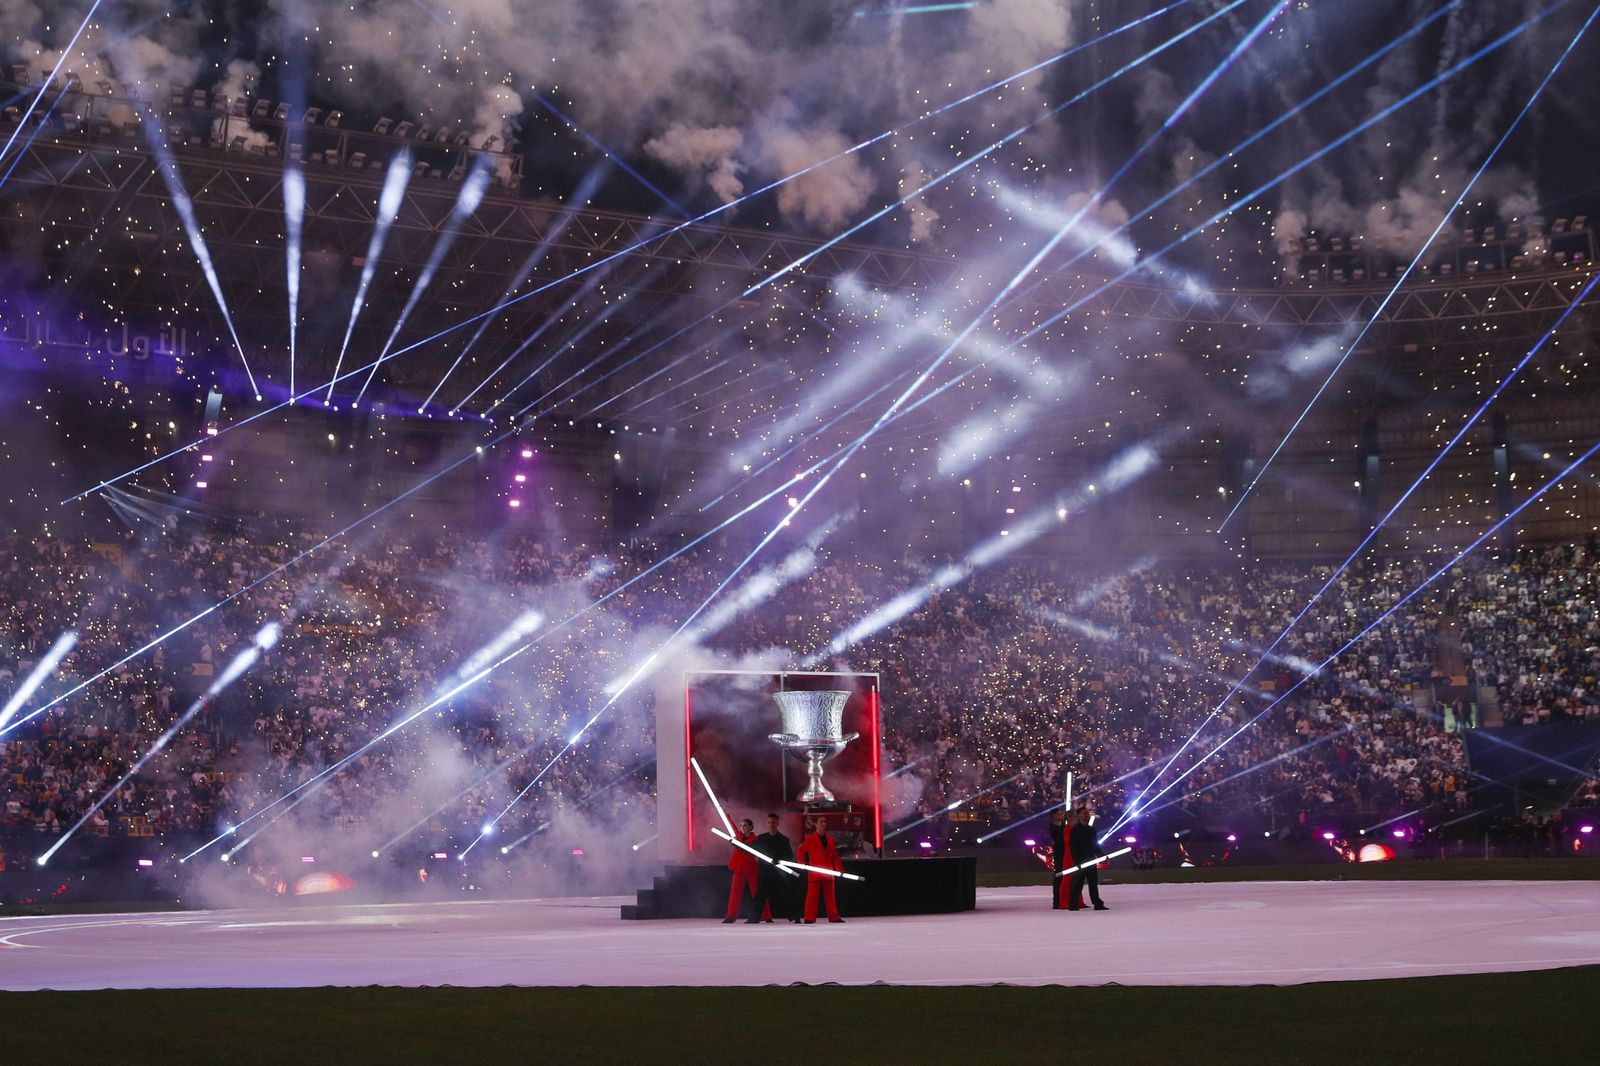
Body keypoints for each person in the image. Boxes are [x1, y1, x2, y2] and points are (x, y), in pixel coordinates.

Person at [796, 815, 845, 923]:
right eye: (821, 821)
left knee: (831, 897)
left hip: (828, 871)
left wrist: (839, 868)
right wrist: (802, 863)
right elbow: (800, 851)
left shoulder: (830, 840)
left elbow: (834, 856)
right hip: (815, 872)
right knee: (812, 896)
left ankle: (834, 917)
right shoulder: (810, 839)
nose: (823, 824)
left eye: (824, 821)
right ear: (816, 824)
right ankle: (809, 917)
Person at [748, 812, 796, 923]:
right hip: (764, 872)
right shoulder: (761, 838)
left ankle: (793, 916)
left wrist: (778, 859)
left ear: (777, 823)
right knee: (759, 895)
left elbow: (789, 856)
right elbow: (749, 848)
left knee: (785, 894)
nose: (771, 824)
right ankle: (754, 918)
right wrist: (737, 844)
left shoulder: (783, 839)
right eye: (769, 822)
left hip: (777, 872)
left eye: (773, 822)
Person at [1067, 805, 1108, 911]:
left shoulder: (1092, 830)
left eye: (1087, 813)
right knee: (1077, 883)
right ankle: (1073, 904)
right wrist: (1077, 861)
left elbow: (1095, 845)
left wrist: (1101, 855)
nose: (1086, 815)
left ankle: (1097, 903)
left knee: (1093, 883)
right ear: (1079, 815)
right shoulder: (1075, 830)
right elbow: (1073, 847)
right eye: (1084, 813)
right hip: (1080, 861)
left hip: (1090, 860)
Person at [723, 818, 760, 923]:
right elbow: (732, 826)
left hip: (751, 868)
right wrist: (725, 814)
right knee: (735, 893)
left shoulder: (755, 839)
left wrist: (736, 844)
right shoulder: (738, 836)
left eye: (745, 826)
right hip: (739, 868)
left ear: (751, 827)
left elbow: (748, 850)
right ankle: (731, 916)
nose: (742, 828)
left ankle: (764, 915)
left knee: (756, 893)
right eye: (741, 826)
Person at [1047, 807, 1069, 909]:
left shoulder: (1063, 826)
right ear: (1054, 816)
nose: (1062, 815)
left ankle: (1065, 899)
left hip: (1066, 853)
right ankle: (1057, 901)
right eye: (1059, 813)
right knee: (1058, 876)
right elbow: (1059, 840)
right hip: (1059, 854)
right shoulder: (1053, 828)